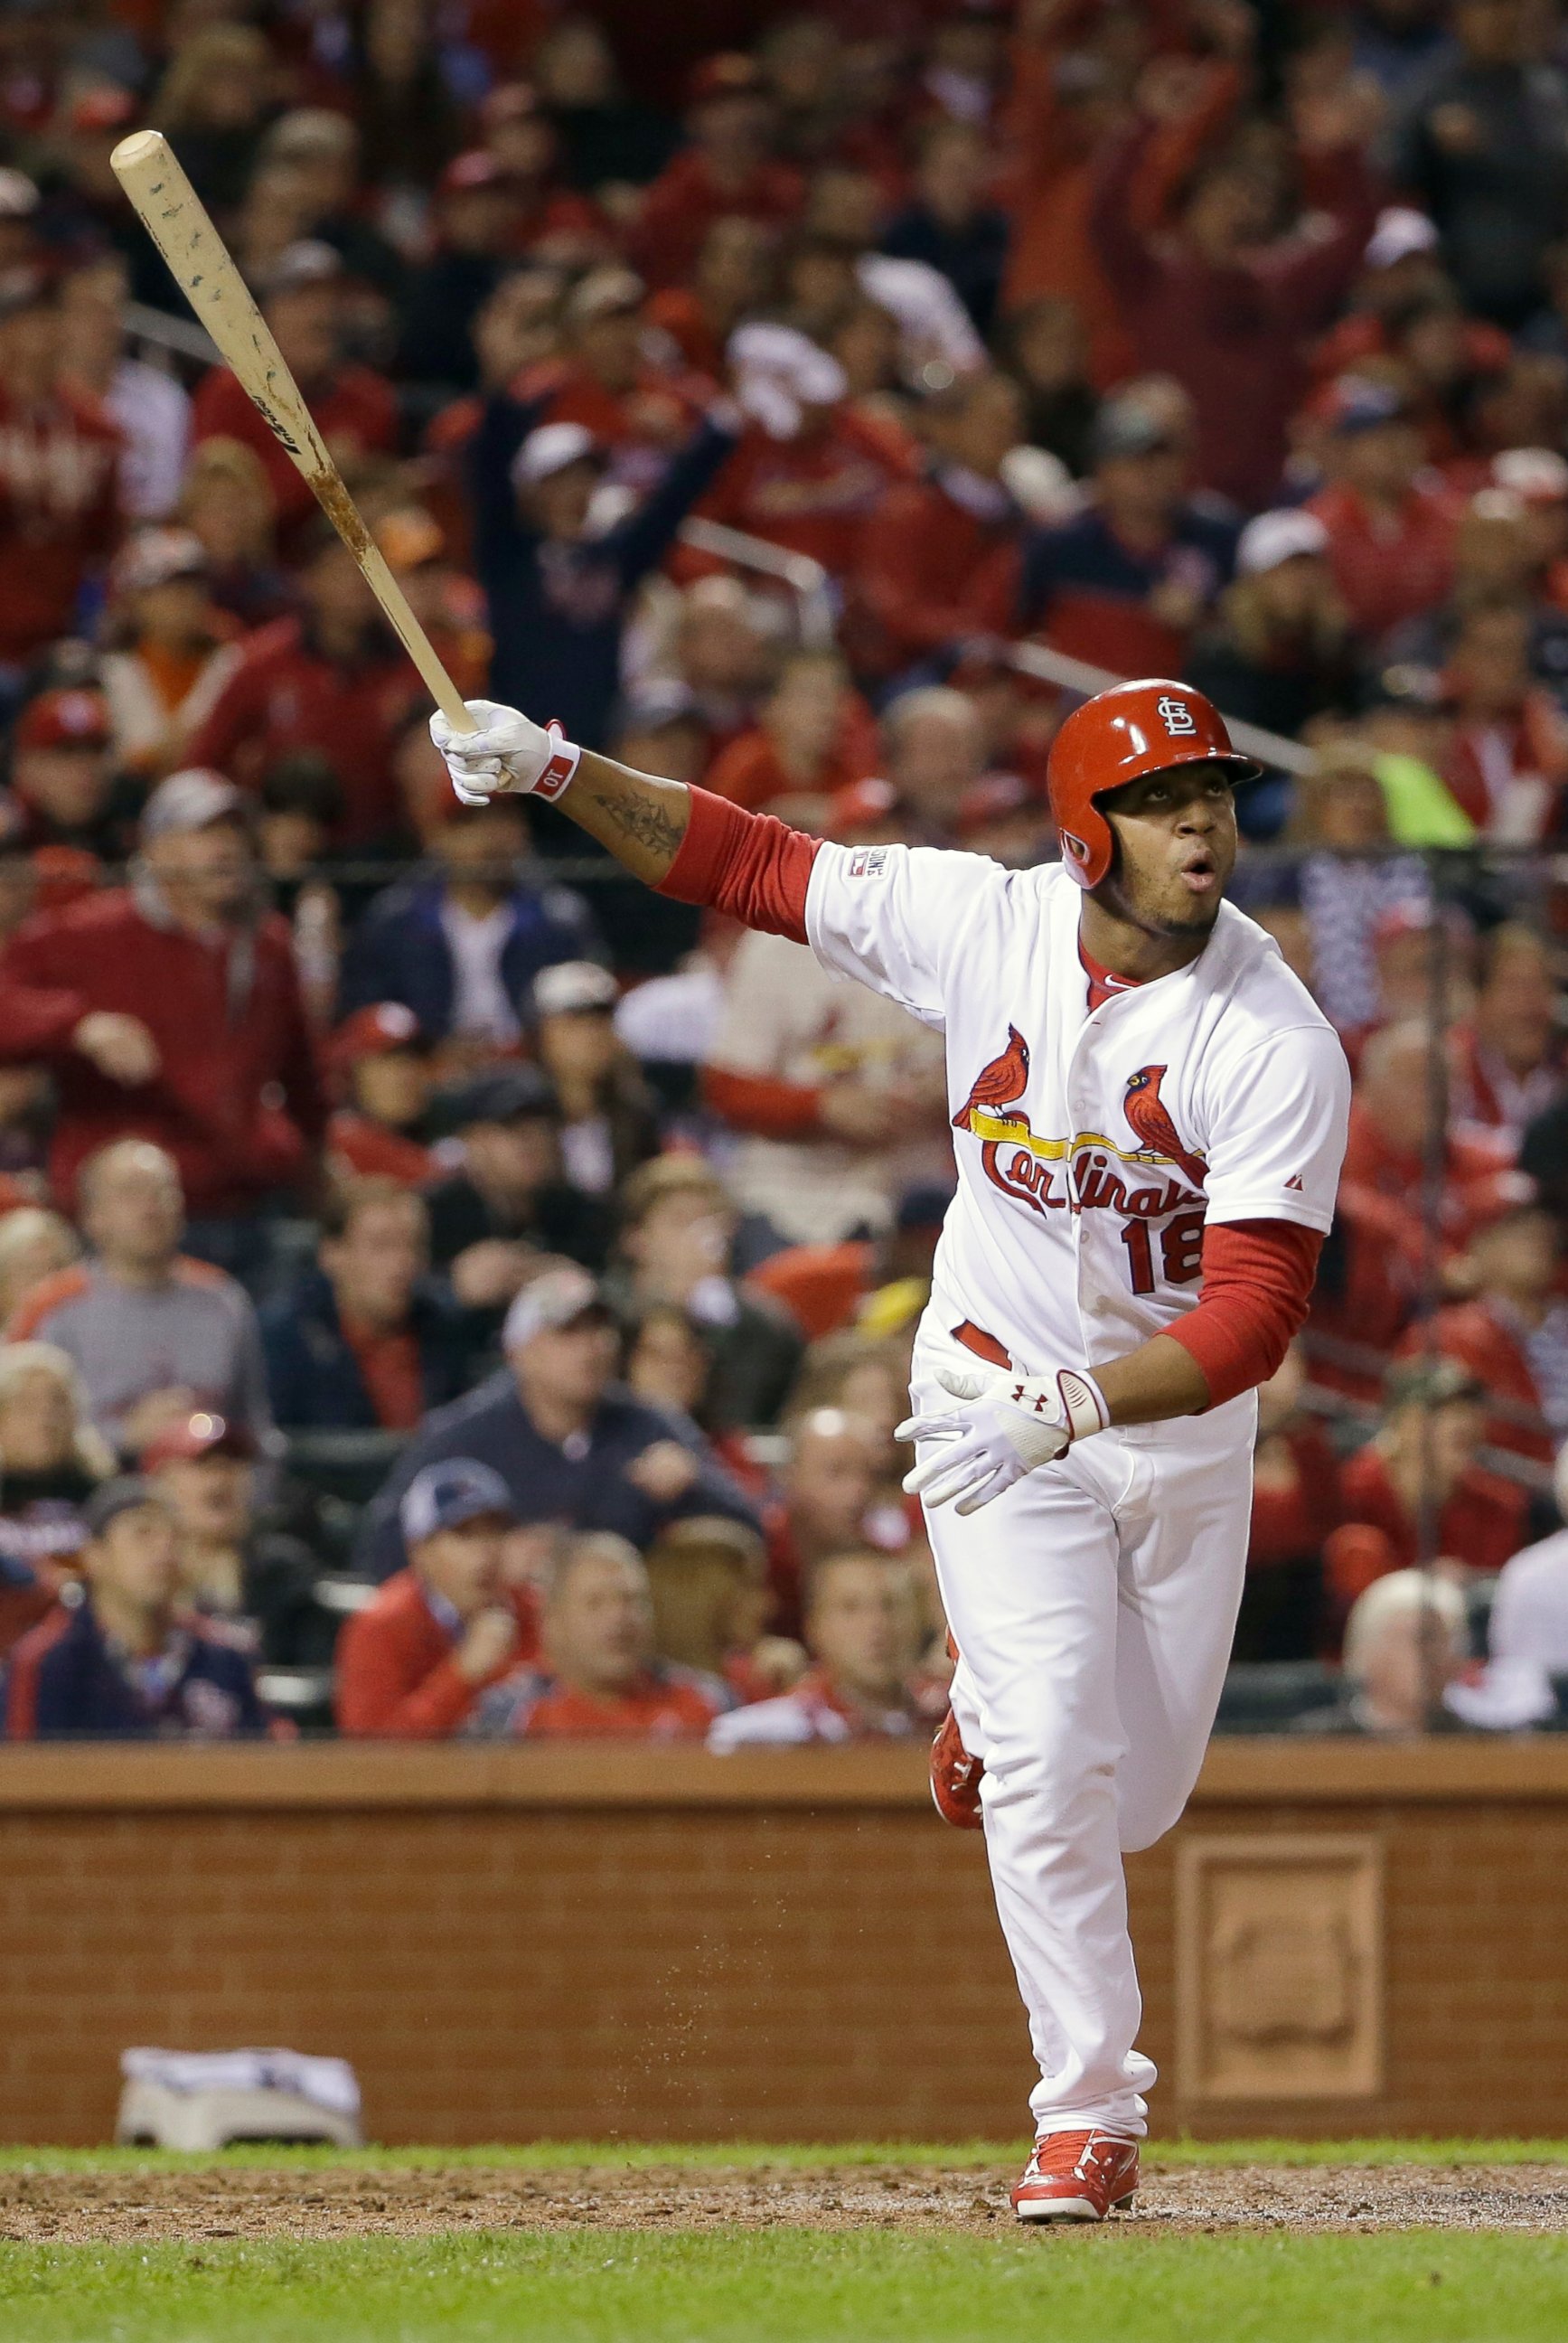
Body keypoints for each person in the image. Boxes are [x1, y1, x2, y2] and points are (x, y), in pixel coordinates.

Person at [430, 664, 1351, 2222]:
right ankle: (1089, 2110)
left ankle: (992, 1709)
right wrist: (553, 769)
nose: (1203, 828)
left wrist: (1081, 1404)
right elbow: (745, 864)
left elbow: (1256, 1318)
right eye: (1162, 803)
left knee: (1130, 1797)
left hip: (1166, 1423)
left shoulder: (1272, 1036)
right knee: (1063, 1753)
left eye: (1214, 801)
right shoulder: (981, 924)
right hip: (985, 1389)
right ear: (1086, 831)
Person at [0, 769, 325, 1231]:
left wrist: (315, 1165)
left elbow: (304, 1078)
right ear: (156, 851)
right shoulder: (93, 932)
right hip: (126, 1219)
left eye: (234, 831)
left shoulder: (268, 943)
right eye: (202, 833)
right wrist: (79, 1027)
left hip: (246, 1204)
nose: (225, 848)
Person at [352, 1264, 759, 1582]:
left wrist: (694, 1488)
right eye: (569, 1333)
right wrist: (487, 1560)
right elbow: (383, 1548)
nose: (592, 1348)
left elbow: (751, 1532)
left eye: (601, 1330)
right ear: (520, 1352)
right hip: (501, 1638)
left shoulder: (648, 1424)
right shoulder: (462, 1437)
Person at [9, 1139, 273, 1458]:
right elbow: (16, 1436)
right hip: (86, 1494)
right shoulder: (53, 1307)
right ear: (93, 1217)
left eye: (162, 1191)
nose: (150, 1206)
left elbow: (256, 1429)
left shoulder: (222, 1301)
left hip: (205, 1485)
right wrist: (124, 1436)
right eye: (130, 1192)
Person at [5, 1477, 268, 1740]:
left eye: (176, 1536)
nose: (164, 1547)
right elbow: (24, 1771)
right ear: (95, 1555)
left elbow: (268, 1765)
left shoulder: (227, 1657)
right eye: (143, 1533)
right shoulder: (48, 1661)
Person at [336, 795, 604, 1043]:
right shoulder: (395, 920)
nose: (490, 837)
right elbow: (365, 1012)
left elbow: (590, 1008)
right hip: (428, 1072)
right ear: (437, 836)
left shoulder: (558, 918)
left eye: (503, 818)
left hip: (534, 1072)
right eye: (469, 822)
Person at [334, 1458, 538, 1738]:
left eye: (495, 1532)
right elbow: (373, 1755)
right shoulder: (381, 1627)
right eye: (464, 1534)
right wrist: (461, 1674)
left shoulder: (535, 1612)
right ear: (420, 1551)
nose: (485, 1551)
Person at [259, 1179, 475, 1433]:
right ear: (332, 1253)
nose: (403, 1264)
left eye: (414, 1246)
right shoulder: (284, 1340)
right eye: (381, 1246)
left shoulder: (445, 1332)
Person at [611, 1153, 803, 1432]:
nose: (702, 1236)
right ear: (636, 1240)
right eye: (680, 1221)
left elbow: (752, 1420)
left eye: (712, 1222)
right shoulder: (607, 1316)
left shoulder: (766, 1328)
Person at [473, 1530, 728, 1739]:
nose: (619, 1618)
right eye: (595, 1603)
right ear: (552, 1623)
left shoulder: (708, 1702)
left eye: (632, 1600)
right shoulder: (512, 1715)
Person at [144, 1409, 334, 1669]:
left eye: (233, 1463)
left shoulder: (281, 1570)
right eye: (203, 1465)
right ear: (160, 1484)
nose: (221, 1476)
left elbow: (313, 1675)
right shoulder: (141, 1577)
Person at [709, 1549, 936, 1748]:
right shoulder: (762, 1738)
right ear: (814, 1628)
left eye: (890, 1605)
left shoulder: (958, 1722)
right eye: (851, 1608)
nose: (877, 1625)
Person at [0, 1341, 114, 1656]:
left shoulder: (103, 1496)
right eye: (26, 1405)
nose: (45, 1417)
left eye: (57, 1403)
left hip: (90, 1651)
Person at [532, 959, 660, 1195]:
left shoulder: (638, 1115)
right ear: (544, 1033)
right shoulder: (524, 1115)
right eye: (576, 1024)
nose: (592, 1037)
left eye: (601, 1023)